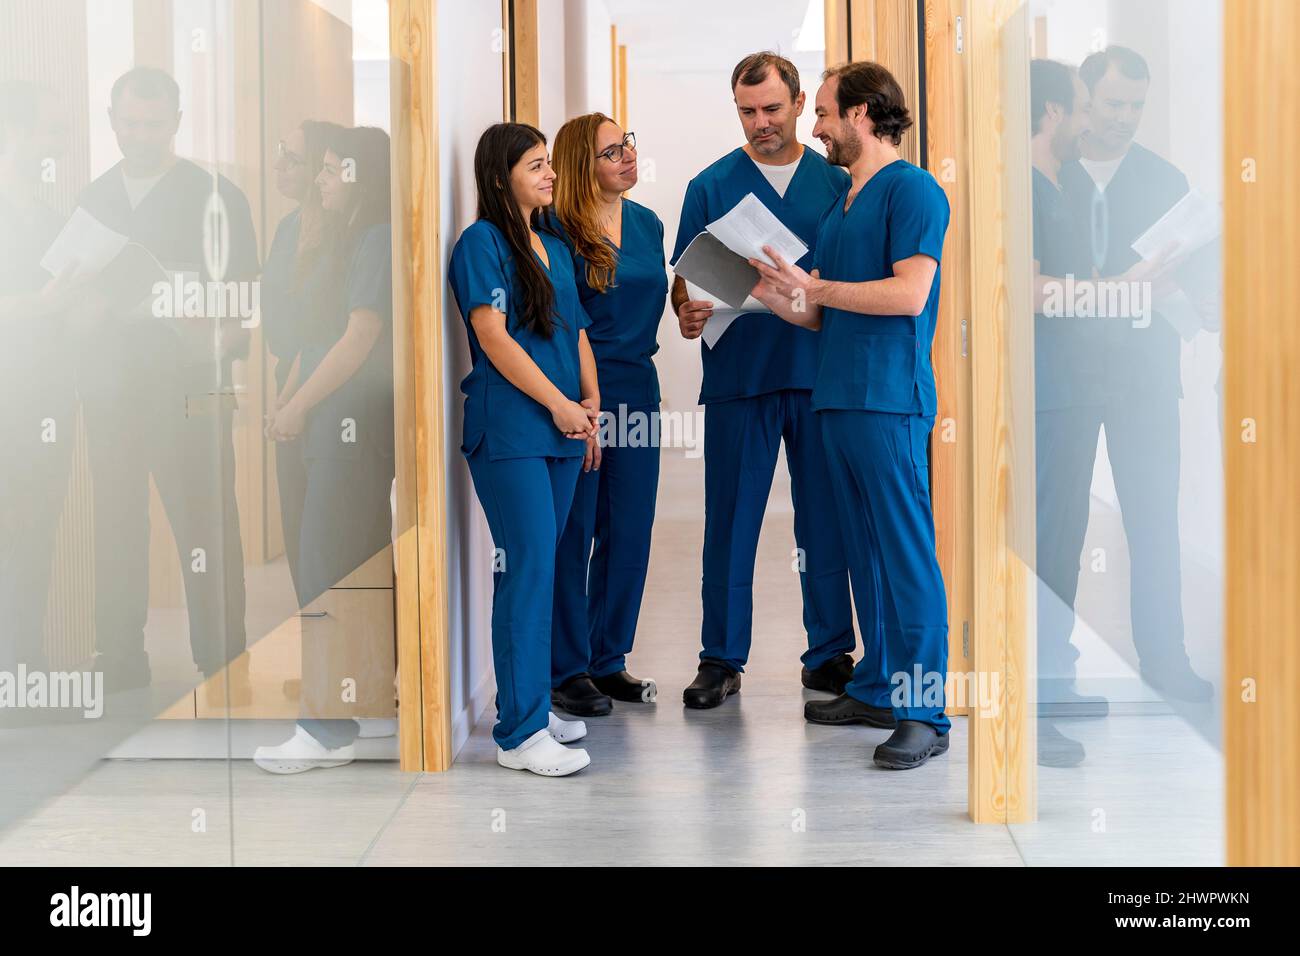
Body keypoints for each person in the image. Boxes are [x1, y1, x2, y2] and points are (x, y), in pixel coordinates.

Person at [749, 61, 952, 770]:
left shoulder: (913, 190)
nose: (816, 127)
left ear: (864, 113)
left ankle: (924, 711)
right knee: (863, 555)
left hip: (887, 400)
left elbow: (907, 295)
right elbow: (819, 313)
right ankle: (874, 687)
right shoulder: (844, 202)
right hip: (836, 395)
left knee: (905, 556)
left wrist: (821, 287)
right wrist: (775, 292)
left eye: (826, 113)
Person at [669, 51, 857, 709]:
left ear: (801, 104)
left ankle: (830, 654)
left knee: (825, 522)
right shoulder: (710, 185)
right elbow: (687, 277)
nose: (760, 123)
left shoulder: (836, 184)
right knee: (729, 521)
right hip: (738, 377)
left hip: (817, 376)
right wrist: (686, 311)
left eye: (772, 109)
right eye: (747, 111)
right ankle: (719, 659)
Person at [76, 67, 258, 694]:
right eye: (130, 122)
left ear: (177, 123)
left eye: (155, 124)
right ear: (112, 121)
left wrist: (194, 316)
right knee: (116, 521)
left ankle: (223, 656)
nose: (142, 135)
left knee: (206, 523)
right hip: (112, 391)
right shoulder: (92, 200)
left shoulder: (217, 198)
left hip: (192, 392)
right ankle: (121, 658)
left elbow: (243, 307)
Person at [1054, 46, 1214, 703]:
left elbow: (1202, 292)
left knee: (1153, 523)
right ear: (1084, 100)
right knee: (1059, 525)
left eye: (1136, 106)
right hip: (1064, 379)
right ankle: (1051, 663)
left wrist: (1187, 293)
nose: (1125, 118)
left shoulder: (1164, 180)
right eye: (1114, 103)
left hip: (1145, 378)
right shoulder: (1049, 172)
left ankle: (1166, 659)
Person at [447, 122, 601, 777]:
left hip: (563, 429)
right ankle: (517, 735)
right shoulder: (482, 243)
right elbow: (495, 338)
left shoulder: (553, 245)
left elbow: (576, 333)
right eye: (536, 164)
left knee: (549, 566)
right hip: (511, 431)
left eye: (549, 164)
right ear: (501, 172)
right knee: (528, 569)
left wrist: (588, 407)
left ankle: (532, 705)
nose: (550, 174)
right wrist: (559, 406)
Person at [254, 126, 399, 773]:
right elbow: (312, 338)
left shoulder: (374, 240)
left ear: (359, 176)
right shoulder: (342, 239)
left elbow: (359, 337)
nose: (318, 179)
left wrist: (301, 406)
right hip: (320, 420)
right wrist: (286, 404)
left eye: (330, 171)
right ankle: (363, 704)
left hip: (348, 426)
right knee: (345, 572)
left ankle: (324, 728)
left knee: (326, 572)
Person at [548, 113, 667, 717]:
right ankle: (566, 669)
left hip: (639, 388)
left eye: (629, 143)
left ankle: (608, 659)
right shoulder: (556, 229)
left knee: (629, 531)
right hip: (583, 391)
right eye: (610, 151)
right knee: (577, 531)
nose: (627, 156)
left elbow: (658, 297)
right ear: (580, 166)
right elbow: (567, 322)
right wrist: (582, 409)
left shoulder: (648, 223)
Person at [0, 81, 78, 676]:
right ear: (17, 134)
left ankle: (21, 669)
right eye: (50, 130)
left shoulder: (52, 216)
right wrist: (43, 303)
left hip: (45, 401)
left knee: (32, 535)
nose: (60, 142)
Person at [260, 120, 345, 608]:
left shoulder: (343, 229)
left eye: (292, 157)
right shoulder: (288, 227)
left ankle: (349, 665)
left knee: (328, 537)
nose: (279, 166)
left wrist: (296, 392)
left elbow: (334, 330)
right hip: (287, 379)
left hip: (327, 386)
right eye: (279, 152)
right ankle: (319, 661)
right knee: (296, 525)